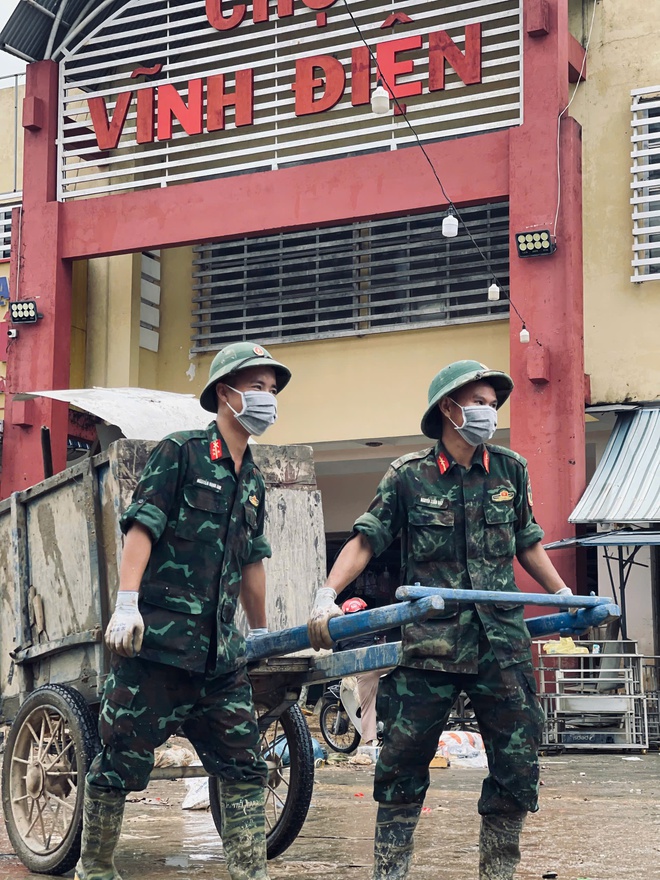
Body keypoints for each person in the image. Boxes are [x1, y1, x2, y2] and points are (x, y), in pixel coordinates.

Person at [307, 360, 575, 880]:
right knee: (403, 761)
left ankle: (497, 872)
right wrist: (326, 594)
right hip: (431, 644)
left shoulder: (510, 471)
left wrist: (563, 594)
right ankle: (390, 872)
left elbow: (528, 542)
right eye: (478, 402)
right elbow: (366, 538)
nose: (488, 413)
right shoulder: (409, 476)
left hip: (501, 642)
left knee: (518, 764)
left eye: (493, 405)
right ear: (449, 409)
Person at [75, 342, 291, 880]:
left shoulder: (255, 481)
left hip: (220, 662)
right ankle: (95, 870)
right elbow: (142, 527)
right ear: (226, 392)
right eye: (257, 388)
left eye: (272, 390)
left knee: (245, 767)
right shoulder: (182, 452)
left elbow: (251, 563)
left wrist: (260, 633)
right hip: (159, 652)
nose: (267, 399)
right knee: (118, 763)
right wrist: (127, 604)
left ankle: (250, 873)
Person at [335, 597, 386, 746]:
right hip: (385, 664)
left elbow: (337, 655)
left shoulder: (340, 630)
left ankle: (370, 743)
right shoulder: (371, 623)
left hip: (365, 669)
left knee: (367, 707)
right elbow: (382, 640)